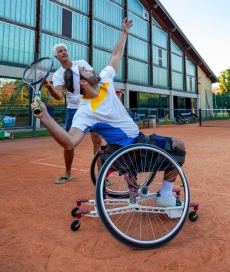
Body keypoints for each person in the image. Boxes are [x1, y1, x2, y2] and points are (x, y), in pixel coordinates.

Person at [32, 18, 186, 207]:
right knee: (178, 146)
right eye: (85, 70)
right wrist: (45, 117)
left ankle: (131, 186)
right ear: (83, 82)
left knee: (107, 142)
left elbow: (115, 56)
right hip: (133, 148)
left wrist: (124, 33)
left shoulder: (104, 80)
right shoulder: (86, 110)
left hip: (123, 149)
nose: (90, 69)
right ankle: (165, 196)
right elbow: (70, 142)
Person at [44, 43, 103, 184]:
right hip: (73, 110)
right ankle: (67, 172)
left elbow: (96, 79)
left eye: (65, 50)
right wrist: (49, 86)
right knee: (68, 144)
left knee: (97, 140)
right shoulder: (58, 75)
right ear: (56, 56)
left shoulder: (81, 63)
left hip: (90, 106)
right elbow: (58, 96)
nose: (64, 52)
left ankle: (101, 175)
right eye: (60, 51)